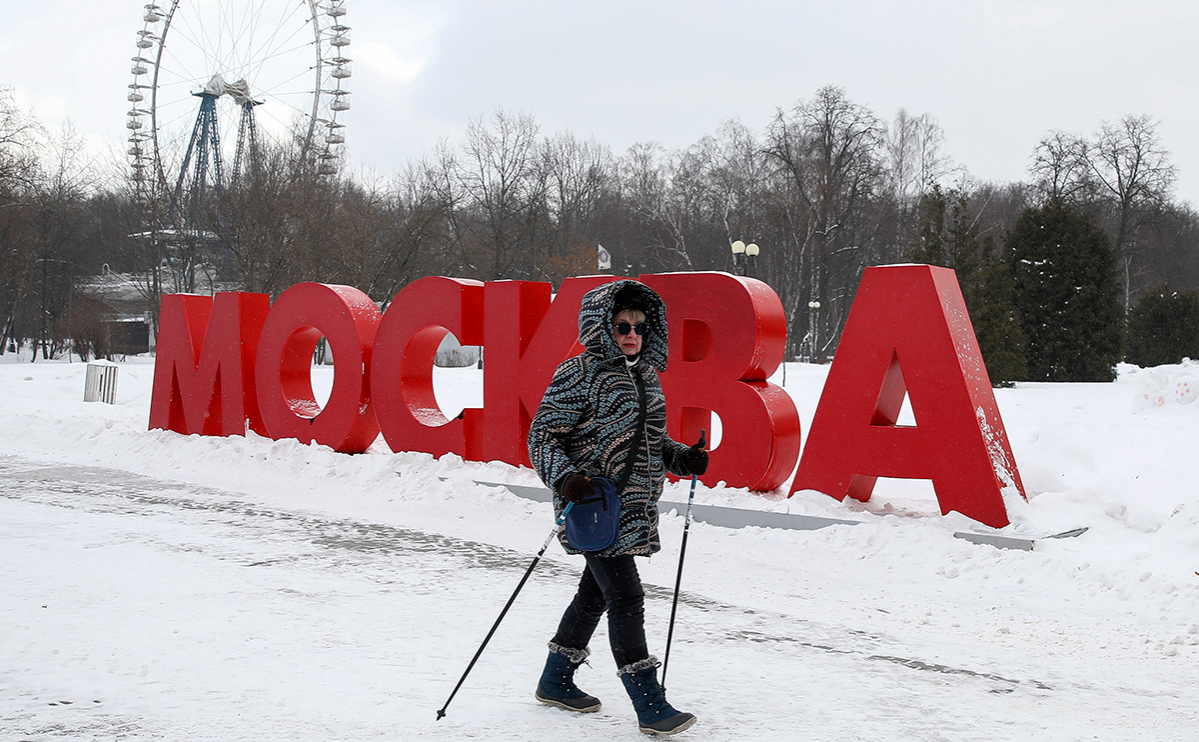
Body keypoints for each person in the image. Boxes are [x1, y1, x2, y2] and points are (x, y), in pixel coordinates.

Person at [527, 279, 708, 736]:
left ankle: (555, 680)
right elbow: (543, 436)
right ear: (602, 326)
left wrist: (679, 456)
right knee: (625, 597)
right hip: (594, 506)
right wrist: (566, 478)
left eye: (640, 327)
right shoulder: (578, 372)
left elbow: (647, 441)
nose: (632, 334)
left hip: (635, 509)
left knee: (595, 593)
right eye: (622, 325)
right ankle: (649, 703)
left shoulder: (646, 375)